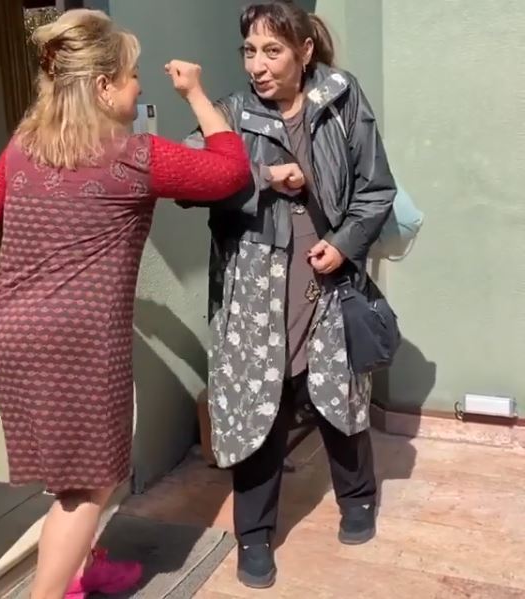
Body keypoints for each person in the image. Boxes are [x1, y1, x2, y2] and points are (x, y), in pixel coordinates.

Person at [0, 9, 250, 599]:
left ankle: (84, 571)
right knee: (88, 485)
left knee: (71, 469)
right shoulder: (133, 156)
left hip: (10, 328)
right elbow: (231, 171)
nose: (138, 86)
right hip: (75, 339)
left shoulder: (23, 145)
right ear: (103, 86)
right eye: (131, 76)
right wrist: (196, 93)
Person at [181, 0, 396, 589]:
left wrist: (344, 245)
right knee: (260, 407)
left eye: (272, 51)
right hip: (253, 289)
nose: (258, 65)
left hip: (328, 282)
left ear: (303, 51)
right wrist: (263, 176)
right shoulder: (230, 112)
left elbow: (376, 189)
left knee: (338, 393)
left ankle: (358, 498)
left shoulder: (341, 98)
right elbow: (189, 180)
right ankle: (254, 536)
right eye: (249, 51)